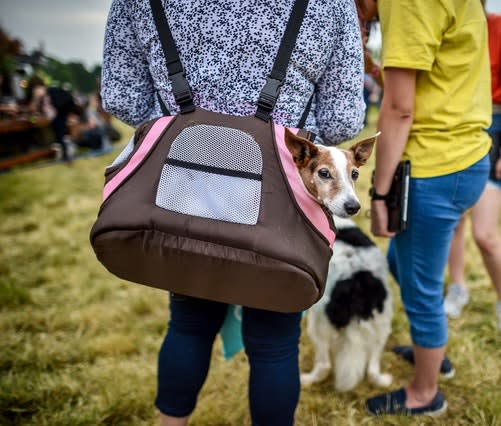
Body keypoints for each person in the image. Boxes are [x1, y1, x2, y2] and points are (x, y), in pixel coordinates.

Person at [100, 1, 365, 425]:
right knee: (276, 342)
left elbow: (122, 96)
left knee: (188, 322)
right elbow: (342, 118)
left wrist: (190, 128)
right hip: (278, 191)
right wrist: (283, 132)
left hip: (184, 185)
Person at [365, 0, 492, 417]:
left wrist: (380, 193)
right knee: (408, 270)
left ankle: (425, 393)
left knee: (419, 288)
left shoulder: (405, 2)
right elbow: (433, 77)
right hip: (465, 156)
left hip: (432, 167)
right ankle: (431, 352)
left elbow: (400, 109)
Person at [445, 1, 501, 337]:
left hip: (494, 128)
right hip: (455, 126)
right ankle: (457, 287)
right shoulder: (448, 26)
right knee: (454, 223)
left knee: (484, 233)